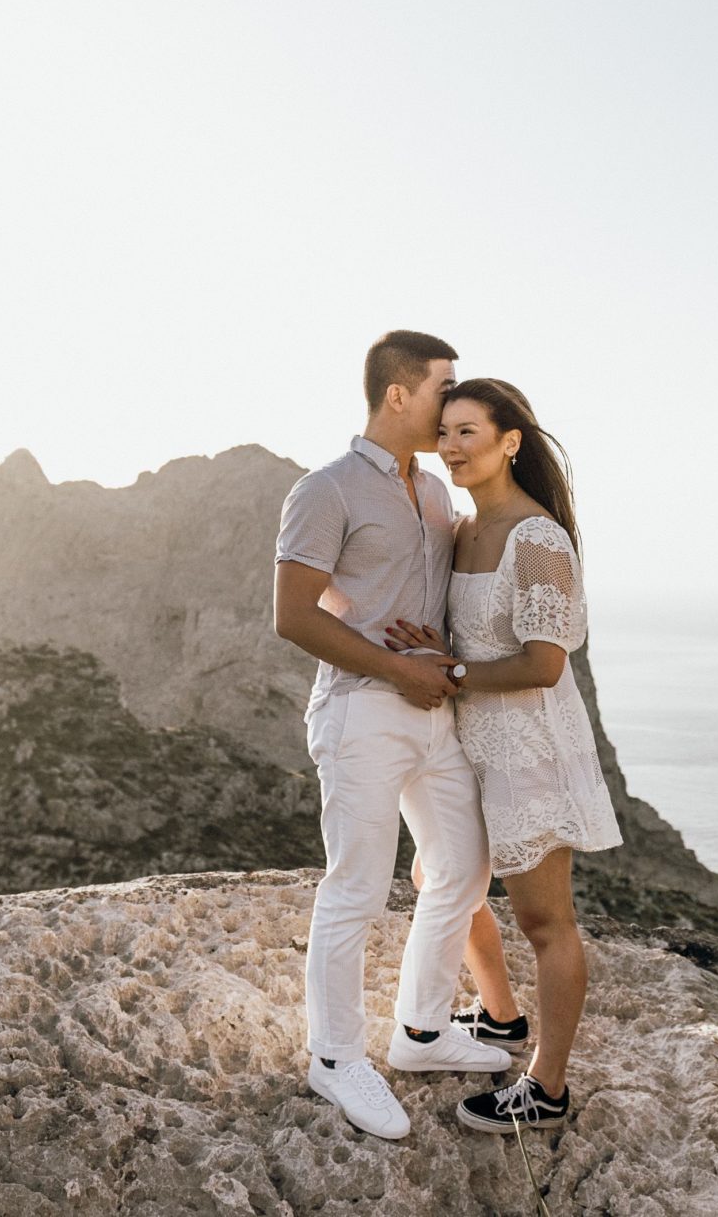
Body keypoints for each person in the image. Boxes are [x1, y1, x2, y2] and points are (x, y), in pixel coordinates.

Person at [272, 330, 514, 1141]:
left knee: (464, 865)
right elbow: (293, 614)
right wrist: (391, 665)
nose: (456, 400)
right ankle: (335, 1057)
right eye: (445, 387)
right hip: (361, 709)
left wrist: (440, 661)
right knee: (359, 883)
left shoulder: (438, 495)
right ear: (399, 394)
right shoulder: (327, 488)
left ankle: (418, 1031)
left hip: (433, 707)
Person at [385, 377, 623, 1134]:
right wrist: (438, 649)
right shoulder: (462, 529)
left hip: (530, 748)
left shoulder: (538, 538)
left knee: (545, 922)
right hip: (472, 742)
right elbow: (474, 637)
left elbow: (544, 664)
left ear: (510, 441)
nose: (452, 448)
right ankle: (501, 1016)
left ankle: (545, 1087)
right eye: (444, 434)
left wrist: (449, 673)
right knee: (438, 873)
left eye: (468, 434)